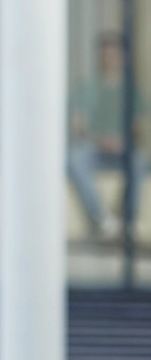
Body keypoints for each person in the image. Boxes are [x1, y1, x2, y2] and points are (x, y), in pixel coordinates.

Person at [67, 32, 146, 239]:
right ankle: (103, 217)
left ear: (123, 57)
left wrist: (122, 141)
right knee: (74, 158)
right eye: (105, 54)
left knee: (139, 160)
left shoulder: (132, 91)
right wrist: (101, 140)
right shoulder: (87, 88)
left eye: (113, 54)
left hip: (123, 149)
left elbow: (139, 128)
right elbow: (78, 126)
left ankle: (127, 220)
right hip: (95, 147)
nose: (108, 59)